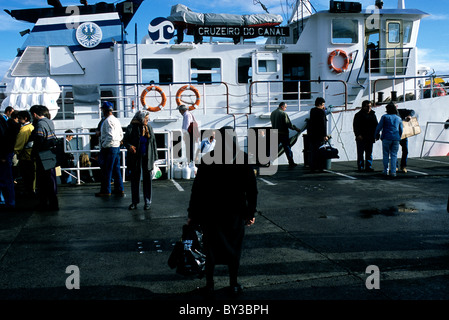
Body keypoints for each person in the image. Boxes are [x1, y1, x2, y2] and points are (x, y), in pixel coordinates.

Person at [187, 126, 258, 297]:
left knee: (210, 248)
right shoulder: (243, 159)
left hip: (210, 212)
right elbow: (252, 190)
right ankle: (233, 283)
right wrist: (250, 213)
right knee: (234, 249)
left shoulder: (207, 159)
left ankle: (209, 285)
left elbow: (197, 190)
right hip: (235, 213)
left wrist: (192, 214)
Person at [123, 110, 158, 210]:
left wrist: (154, 158)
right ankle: (135, 202)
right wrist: (129, 146)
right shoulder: (131, 128)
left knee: (148, 180)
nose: (148, 120)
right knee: (135, 179)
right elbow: (125, 141)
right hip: (135, 157)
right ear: (140, 118)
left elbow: (153, 143)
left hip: (147, 156)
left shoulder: (149, 128)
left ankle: (148, 201)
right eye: (146, 119)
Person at [30, 105, 59, 210]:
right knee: (50, 179)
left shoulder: (40, 124)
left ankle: (44, 203)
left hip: (43, 154)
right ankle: (53, 203)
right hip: (50, 153)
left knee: (43, 180)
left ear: (34, 114)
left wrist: (33, 153)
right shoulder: (49, 121)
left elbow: (39, 140)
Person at [95, 101, 124, 197]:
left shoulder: (108, 121)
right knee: (116, 169)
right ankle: (119, 189)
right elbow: (120, 134)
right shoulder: (116, 120)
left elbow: (110, 136)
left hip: (109, 148)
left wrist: (104, 144)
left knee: (106, 170)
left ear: (104, 110)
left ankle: (106, 190)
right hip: (116, 147)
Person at [375, 102, 403, 178]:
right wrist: (399, 137)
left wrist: (376, 135)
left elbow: (379, 127)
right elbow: (401, 130)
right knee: (394, 155)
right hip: (396, 138)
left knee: (385, 154)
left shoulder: (384, 117)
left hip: (386, 137)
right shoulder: (398, 118)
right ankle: (393, 172)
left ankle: (385, 170)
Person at [270, 102, 301, 168]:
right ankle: (291, 162)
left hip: (275, 133)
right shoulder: (283, 114)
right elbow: (288, 124)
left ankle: (270, 162)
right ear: (282, 107)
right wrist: (296, 128)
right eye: (285, 107)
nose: (285, 109)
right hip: (283, 133)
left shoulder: (273, 113)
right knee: (287, 148)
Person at [353, 100, 378, 172]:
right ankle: (360, 167)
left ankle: (368, 166)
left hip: (370, 137)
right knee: (360, 153)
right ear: (363, 107)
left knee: (369, 153)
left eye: (370, 106)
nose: (369, 108)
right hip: (361, 137)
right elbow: (355, 126)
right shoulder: (358, 115)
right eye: (367, 106)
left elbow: (376, 125)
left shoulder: (373, 114)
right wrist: (358, 135)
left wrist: (376, 134)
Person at [14, 110, 35, 196]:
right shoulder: (31, 127)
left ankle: (28, 192)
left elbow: (18, 145)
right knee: (32, 176)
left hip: (25, 156)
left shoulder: (24, 130)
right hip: (31, 155)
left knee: (26, 176)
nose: (18, 120)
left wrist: (14, 151)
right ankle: (32, 191)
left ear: (25, 118)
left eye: (19, 118)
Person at [307, 97, 329, 171]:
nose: (323, 106)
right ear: (320, 104)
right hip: (319, 135)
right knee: (320, 150)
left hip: (312, 134)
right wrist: (325, 135)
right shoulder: (321, 112)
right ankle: (320, 166)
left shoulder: (312, 111)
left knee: (313, 151)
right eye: (323, 105)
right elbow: (323, 125)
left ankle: (313, 166)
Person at [397, 108, 416, 173]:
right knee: (394, 151)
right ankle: (396, 166)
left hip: (403, 134)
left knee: (405, 150)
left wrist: (409, 115)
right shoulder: (389, 114)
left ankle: (403, 166)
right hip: (395, 134)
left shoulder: (400, 111)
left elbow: (412, 111)